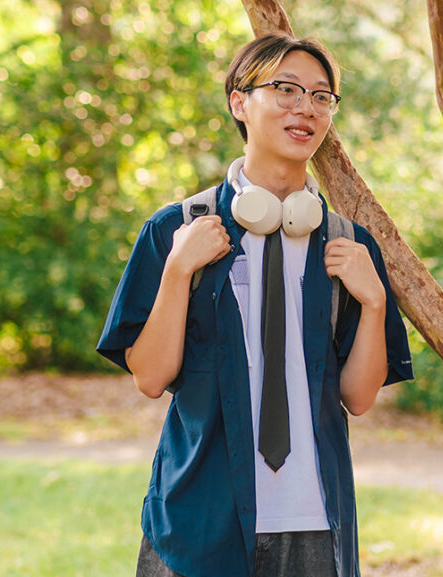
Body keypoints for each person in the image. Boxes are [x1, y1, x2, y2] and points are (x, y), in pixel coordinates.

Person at [97, 34, 413, 577]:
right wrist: (178, 270)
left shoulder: (348, 246)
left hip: (316, 523)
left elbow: (358, 398)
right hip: (200, 520)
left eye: (321, 96)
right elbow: (150, 378)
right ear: (239, 102)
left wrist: (376, 302)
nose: (305, 108)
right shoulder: (175, 230)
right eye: (285, 89)